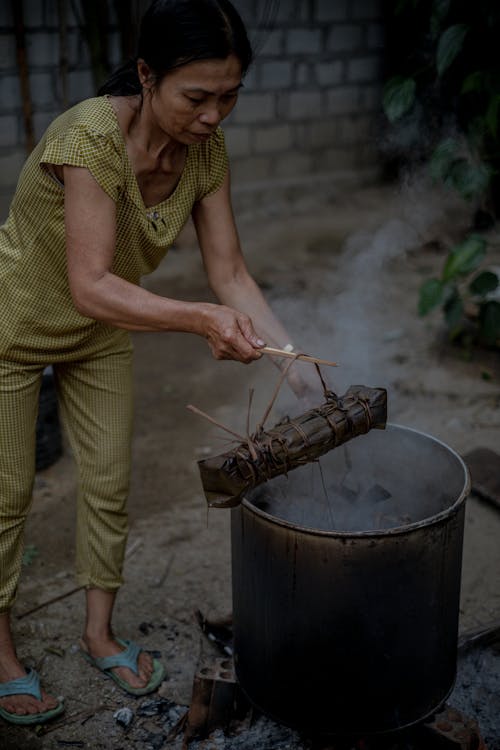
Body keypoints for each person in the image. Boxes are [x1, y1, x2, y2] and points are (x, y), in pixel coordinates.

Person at [0, 0, 318, 725]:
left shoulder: (206, 155)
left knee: (110, 481)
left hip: (103, 330)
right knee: (5, 495)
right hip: (13, 328)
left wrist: (294, 364)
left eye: (230, 96)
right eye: (197, 97)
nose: (214, 116)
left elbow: (231, 273)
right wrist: (196, 318)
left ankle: (98, 632)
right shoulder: (86, 141)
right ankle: (3, 655)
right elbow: (90, 281)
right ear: (147, 76)